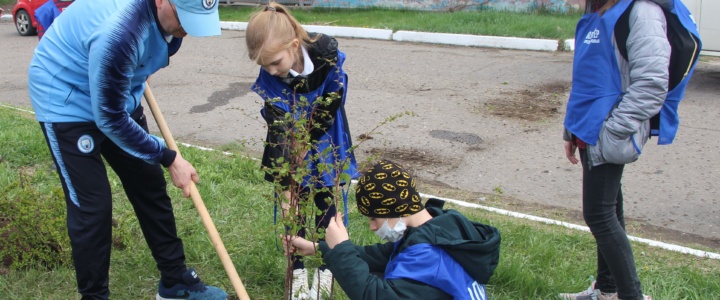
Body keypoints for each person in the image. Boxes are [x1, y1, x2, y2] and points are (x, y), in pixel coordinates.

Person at [27, 0, 227, 299]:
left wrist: (129, 76)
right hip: (67, 98)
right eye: (183, 17)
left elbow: (136, 70)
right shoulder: (119, 32)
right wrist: (169, 157)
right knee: (93, 207)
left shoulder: (171, 25)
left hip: (114, 96)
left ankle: (174, 281)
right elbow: (109, 118)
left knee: (149, 184)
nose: (187, 27)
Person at [560, 0, 700, 299]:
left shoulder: (641, 12)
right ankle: (609, 290)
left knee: (598, 215)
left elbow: (651, 83)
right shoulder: (599, 10)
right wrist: (572, 129)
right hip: (588, 127)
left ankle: (631, 295)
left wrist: (613, 129)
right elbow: (588, 76)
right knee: (609, 209)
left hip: (607, 129)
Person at [245, 2, 358, 299]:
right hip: (288, 144)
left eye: (275, 63)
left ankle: (325, 267)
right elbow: (278, 126)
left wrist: (307, 144)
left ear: (295, 45)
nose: (271, 71)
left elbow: (331, 104)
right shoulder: (270, 76)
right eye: (264, 66)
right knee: (295, 208)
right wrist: (286, 181)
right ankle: (296, 271)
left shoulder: (327, 55)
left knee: (325, 205)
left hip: (325, 140)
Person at [283, 160, 501, 300]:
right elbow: (381, 256)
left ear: (395, 208)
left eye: (374, 218)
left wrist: (341, 248)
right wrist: (320, 248)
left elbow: (373, 295)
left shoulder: (430, 256)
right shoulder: (437, 230)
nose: (372, 226)